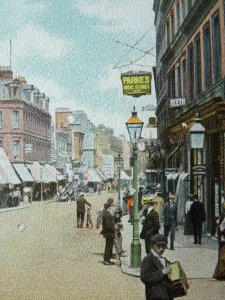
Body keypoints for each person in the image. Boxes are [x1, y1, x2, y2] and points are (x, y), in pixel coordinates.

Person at [140, 234, 174, 300]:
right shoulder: (148, 259)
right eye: (158, 246)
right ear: (152, 246)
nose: (161, 249)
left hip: (166, 294)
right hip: (155, 295)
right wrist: (162, 272)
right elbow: (144, 277)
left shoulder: (164, 260)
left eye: (163, 246)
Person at [213, 202, 225, 280]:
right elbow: (221, 228)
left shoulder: (222, 216)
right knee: (222, 257)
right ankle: (221, 273)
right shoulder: (223, 217)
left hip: (222, 238)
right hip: (223, 239)